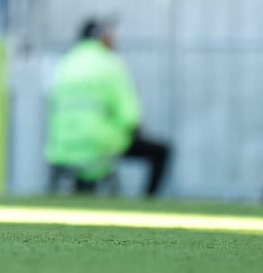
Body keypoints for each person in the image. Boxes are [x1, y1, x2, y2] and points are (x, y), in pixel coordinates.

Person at [46, 18, 172, 198]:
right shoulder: (110, 63)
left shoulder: (65, 63)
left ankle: (82, 192)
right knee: (161, 151)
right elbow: (131, 117)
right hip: (98, 145)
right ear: (101, 37)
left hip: (60, 149)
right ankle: (147, 203)